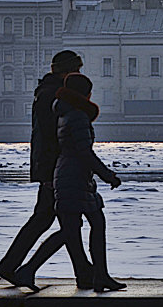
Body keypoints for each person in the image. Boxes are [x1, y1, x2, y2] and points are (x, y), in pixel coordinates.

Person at [0, 50, 91, 291]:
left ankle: (83, 272)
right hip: (56, 170)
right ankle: (22, 268)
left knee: (50, 220)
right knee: (63, 222)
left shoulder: (48, 92)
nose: (78, 74)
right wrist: (51, 173)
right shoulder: (53, 95)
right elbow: (51, 137)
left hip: (53, 168)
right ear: (64, 71)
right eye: (75, 70)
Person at [54, 71, 126, 292]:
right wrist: (108, 175)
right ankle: (100, 276)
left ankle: (93, 276)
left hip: (68, 174)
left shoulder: (64, 112)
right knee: (93, 223)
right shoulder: (77, 116)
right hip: (76, 177)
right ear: (84, 94)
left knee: (73, 229)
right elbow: (85, 152)